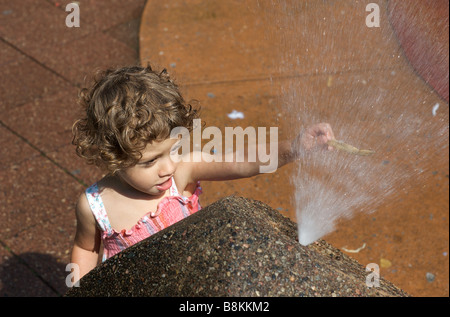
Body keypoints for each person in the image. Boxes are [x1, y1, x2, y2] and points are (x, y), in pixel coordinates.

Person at [70, 65, 335, 279]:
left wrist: (295, 147)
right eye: (150, 162)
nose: (168, 167)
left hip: (196, 283)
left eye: (174, 149)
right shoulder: (96, 205)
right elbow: (85, 248)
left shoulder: (182, 173)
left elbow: (240, 161)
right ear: (113, 157)